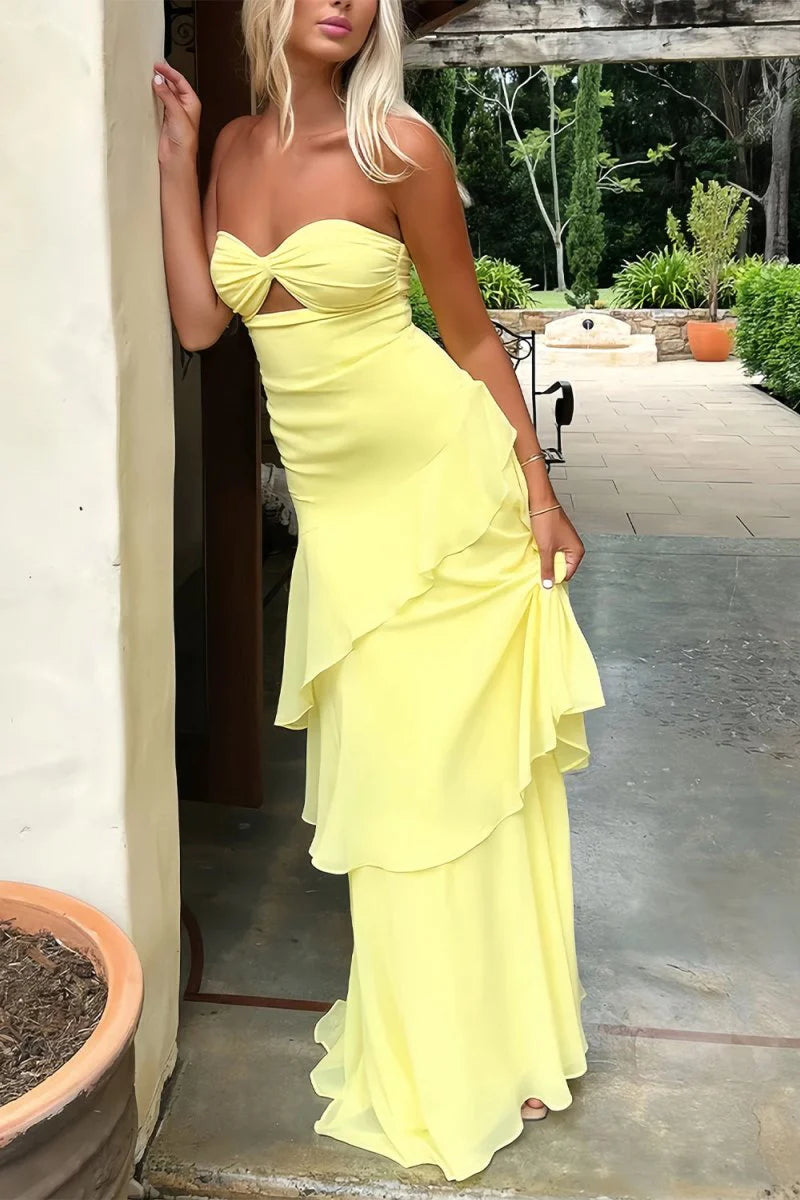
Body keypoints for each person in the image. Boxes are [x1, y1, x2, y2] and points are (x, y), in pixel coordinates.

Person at [153, 0, 606, 1181]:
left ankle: (498, 1039)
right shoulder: (232, 147)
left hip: (446, 500)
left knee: (455, 784)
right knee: (396, 794)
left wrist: (537, 494)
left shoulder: (399, 145)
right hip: (345, 531)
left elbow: (467, 339)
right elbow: (201, 323)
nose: (344, 1)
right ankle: (435, 1034)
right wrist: (174, 157)